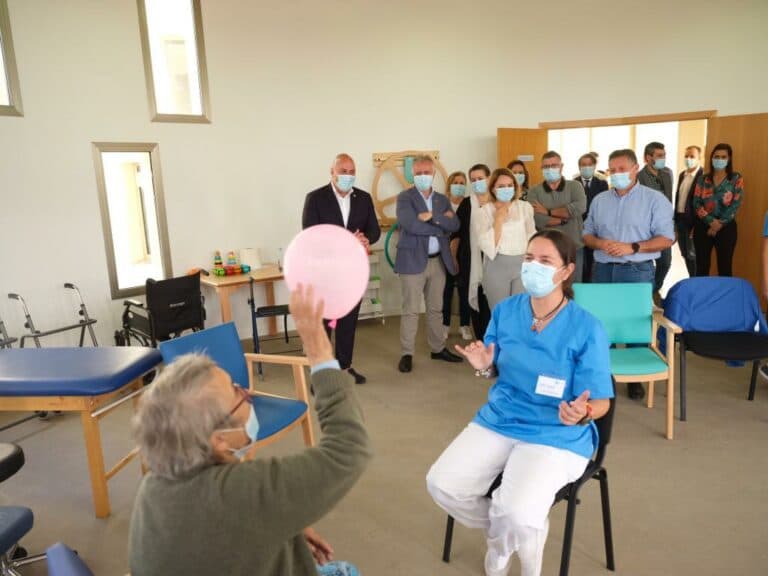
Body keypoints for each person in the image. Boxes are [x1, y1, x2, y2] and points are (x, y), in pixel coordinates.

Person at [129, 284, 371, 576]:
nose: (246, 392)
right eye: (236, 392)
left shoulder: (154, 486)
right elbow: (349, 450)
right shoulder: (238, 495)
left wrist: (283, 519)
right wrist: (320, 352)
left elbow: (232, 526)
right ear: (218, 439)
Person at [426, 229, 613, 576]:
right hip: (501, 418)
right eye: (529, 259)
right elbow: (494, 363)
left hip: (556, 432)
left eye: (545, 261)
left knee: (516, 513)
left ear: (566, 271)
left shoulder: (587, 328)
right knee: (441, 483)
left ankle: (503, 545)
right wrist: (484, 367)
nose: (533, 267)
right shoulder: (506, 311)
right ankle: (518, 533)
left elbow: (600, 402)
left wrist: (582, 412)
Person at [583, 148, 674, 400]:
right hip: (603, 269)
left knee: (636, 324)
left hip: (636, 270)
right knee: (603, 326)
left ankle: (636, 378)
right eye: (613, 170)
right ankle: (606, 376)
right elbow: (587, 233)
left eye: (622, 169)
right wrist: (600, 244)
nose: (617, 174)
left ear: (635, 169)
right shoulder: (600, 200)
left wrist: (633, 247)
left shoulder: (655, 200)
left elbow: (667, 238)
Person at [302, 154, 381, 385]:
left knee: (348, 323)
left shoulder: (364, 198)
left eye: (351, 171)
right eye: (343, 170)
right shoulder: (316, 198)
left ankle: (345, 367)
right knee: (324, 326)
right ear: (332, 172)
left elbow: (374, 231)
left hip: (352, 273)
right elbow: (310, 234)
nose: (348, 175)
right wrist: (346, 240)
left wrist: (366, 239)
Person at [395, 155, 462, 373]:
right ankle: (407, 353)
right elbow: (410, 224)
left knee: (436, 309)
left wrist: (432, 217)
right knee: (411, 310)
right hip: (412, 261)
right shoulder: (404, 198)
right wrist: (439, 225)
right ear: (412, 174)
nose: (423, 176)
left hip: (438, 262)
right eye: (418, 173)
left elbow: (455, 224)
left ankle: (438, 348)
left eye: (427, 172)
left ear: (433, 174)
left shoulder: (442, 199)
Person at [474, 168, 536, 311]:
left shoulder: (525, 207)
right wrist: (499, 219)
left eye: (510, 185)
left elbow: (531, 236)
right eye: (501, 186)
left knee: (520, 312)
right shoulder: (483, 212)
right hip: (496, 265)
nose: (506, 189)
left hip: (522, 264)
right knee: (500, 312)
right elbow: (487, 246)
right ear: (493, 189)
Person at [526, 151, 587, 282]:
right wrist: (565, 217)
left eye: (554, 165)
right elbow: (537, 219)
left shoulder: (575, 186)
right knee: (549, 287)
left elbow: (580, 208)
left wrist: (547, 211)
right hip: (546, 251)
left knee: (574, 288)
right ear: (541, 168)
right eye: (546, 166)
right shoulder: (534, 191)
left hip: (574, 248)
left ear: (561, 166)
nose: (550, 169)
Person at [692, 143, 744, 277]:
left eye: (723, 157)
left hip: (726, 228)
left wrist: (719, 224)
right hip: (703, 227)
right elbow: (696, 203)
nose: (719, 160)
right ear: (711, 158)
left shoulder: (736, 178)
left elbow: (735, 204)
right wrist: (710, 222)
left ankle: (724, 297)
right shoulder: (703, 179)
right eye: (716, 156)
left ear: (729, 159)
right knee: (702, 267)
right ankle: (702, 296)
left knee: (725, 267)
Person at [637, 142, 674, 302]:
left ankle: (654, 288)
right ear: (648, 157)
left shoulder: (667, 173)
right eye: (659, 156)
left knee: (665, 262)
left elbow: (669, 199)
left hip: (664, 226)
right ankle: (646, 294)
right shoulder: (639, 177)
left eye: (664, 155)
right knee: (646, 263)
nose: (663, 159)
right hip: (645, 227)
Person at [461, 163, 494, 340]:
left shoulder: (498, 202)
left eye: (480, 179)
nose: (477, 182)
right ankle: (481, 341)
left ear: (489, 178)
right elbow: (457, 233)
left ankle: (494, 344)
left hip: (495, 261)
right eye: (473, 180)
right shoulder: (467, 204)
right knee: (477, 302)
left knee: (492, 303)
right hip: (472, 262)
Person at [444, 171, 472, 341]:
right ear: (450, 185)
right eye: (456, 182)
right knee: (445, 290)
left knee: (465, 290)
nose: (460, 186)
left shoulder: (469, 205)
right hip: (444, 253)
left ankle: (464, 325)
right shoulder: (442, 204)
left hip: (465, 254)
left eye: (463, 183)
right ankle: (444, 325)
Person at [574, 153, 608, 282]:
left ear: (594, 166)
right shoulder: (573, 184)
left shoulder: (602, 184)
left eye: (589, 165)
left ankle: (590, 284)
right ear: (579, 167)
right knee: (579, 262)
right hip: (577, 227)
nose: (586, 167)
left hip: (595, 229)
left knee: (592, 260)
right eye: (583, 165)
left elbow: (603, 206)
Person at [674, 146, 704, 277]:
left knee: (693, 255)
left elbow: (703, 203)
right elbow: (679, 198)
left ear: (699, 158)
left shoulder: (703, 176)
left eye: (692, 156)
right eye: (686, 156)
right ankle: (692, 279)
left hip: (693, 223)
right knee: (685, 254)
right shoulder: (682, 175)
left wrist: (698, 225)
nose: (688, 159)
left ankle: (696, 281)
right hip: (680, 220)